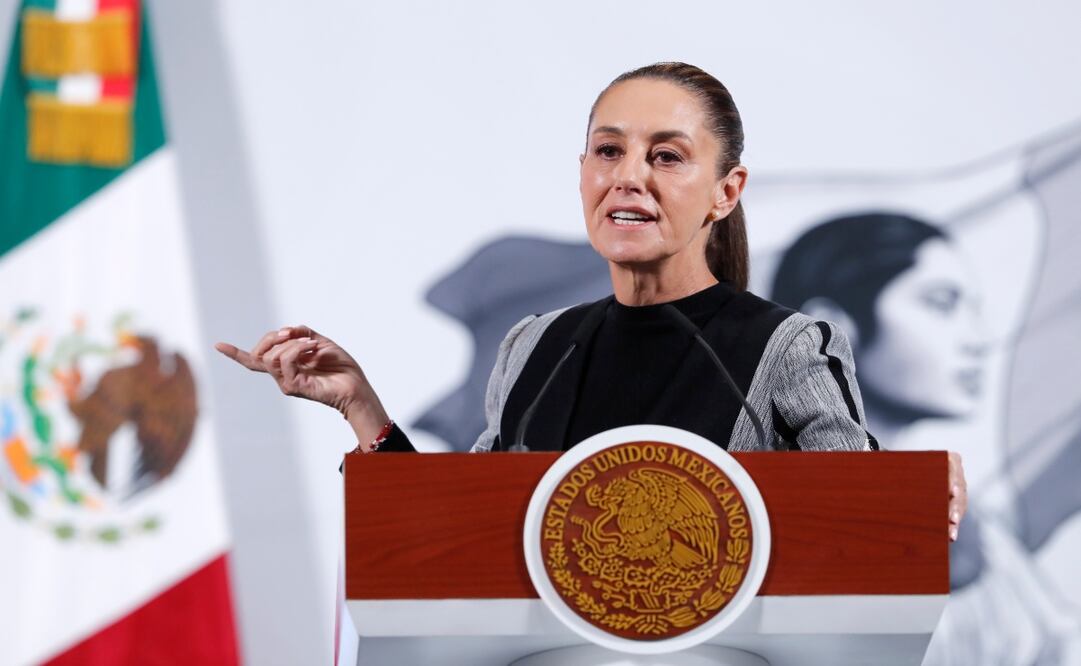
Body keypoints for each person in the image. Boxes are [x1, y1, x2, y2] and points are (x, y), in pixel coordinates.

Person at [214, 62, 966, 539]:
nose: (628, 176)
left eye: (666, 156)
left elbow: (866, 528)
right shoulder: (532, 347)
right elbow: (464, 538)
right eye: (609, 151)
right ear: (582, 172)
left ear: (725, 191)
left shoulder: (786, 348)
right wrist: (360, 407)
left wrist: (914, 488)